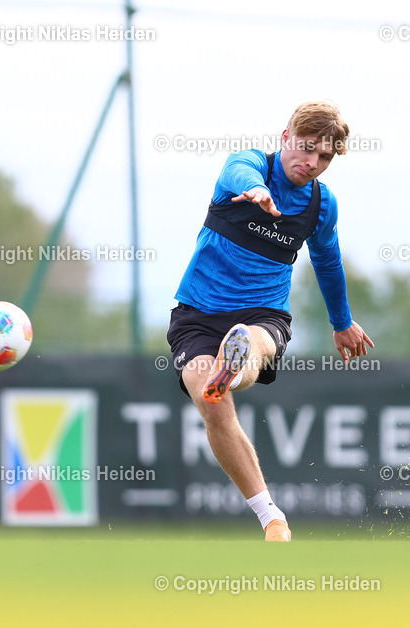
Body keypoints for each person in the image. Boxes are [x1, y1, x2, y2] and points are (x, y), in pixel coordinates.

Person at [167, 101, 374, 542]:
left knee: (253, 344)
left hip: (262, 314)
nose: (311, 163)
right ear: (285, 137)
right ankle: (272, 518)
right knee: (210, 402)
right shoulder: (245, 166)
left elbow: (328, 261)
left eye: (324, 157)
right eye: (305, 149)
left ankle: (236, 361)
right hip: (197, 314)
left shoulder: (321, 204)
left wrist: (342, 322)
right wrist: (258, 191)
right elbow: (239, 174)